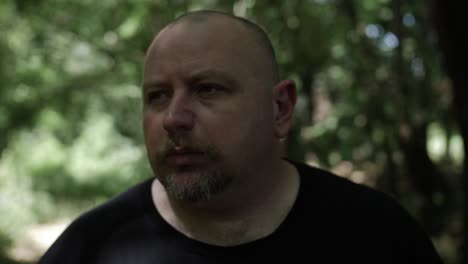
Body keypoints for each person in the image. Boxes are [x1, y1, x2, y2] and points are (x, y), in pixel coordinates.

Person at [39, 10, 443, 263]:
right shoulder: (92, 246)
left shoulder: (378, 235)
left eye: (207, 89)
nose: (174, 118)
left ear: (280, 109)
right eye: (157, 96)